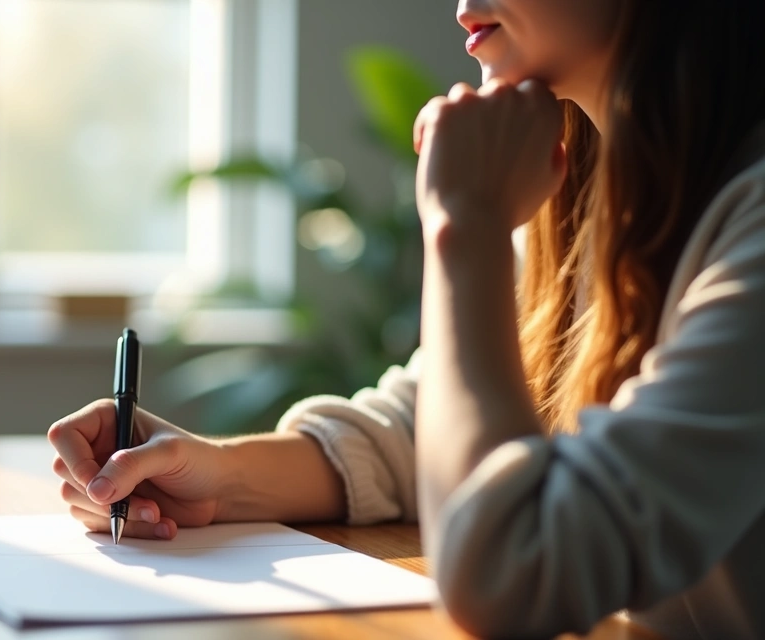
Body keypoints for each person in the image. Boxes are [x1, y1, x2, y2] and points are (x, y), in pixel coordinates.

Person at [48, 0, 765, 637]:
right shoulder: (580, 195)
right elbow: (428, 429)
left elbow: (508, 578)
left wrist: (465, 225)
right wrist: (218, 476)